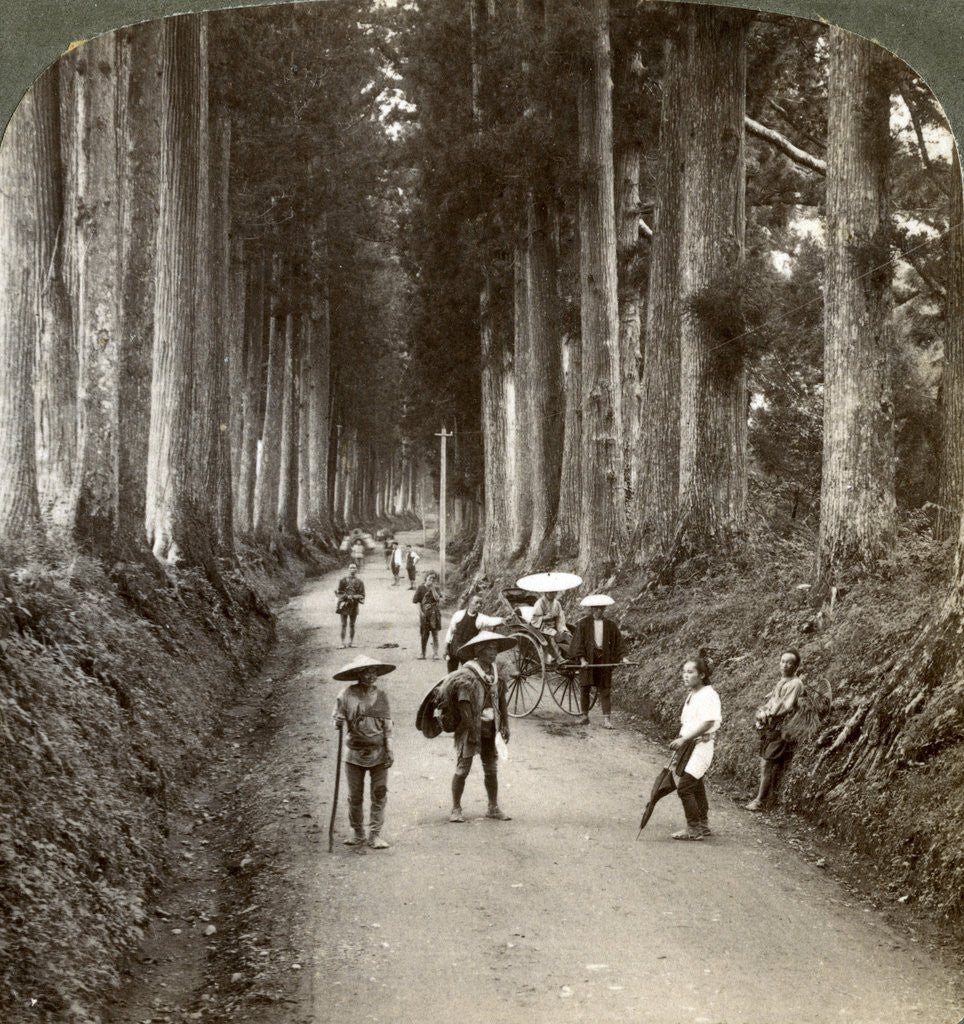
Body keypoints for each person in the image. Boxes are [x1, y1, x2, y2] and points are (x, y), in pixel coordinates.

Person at [448, 631, 516, 823]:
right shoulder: (468, 673)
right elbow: (463, 704)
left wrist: (505, 725)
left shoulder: (496, 672)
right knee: (463, 768)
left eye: (495, 648)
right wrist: (472, 730)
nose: (494, 652)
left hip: (491, 728)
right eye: (489, 648)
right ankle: (455, 808)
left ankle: (493, 807)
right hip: (470, 728)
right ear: (479, 651)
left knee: (491, 769)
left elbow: (502, 698)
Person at [331, 655, 395, 849]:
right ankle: (358, 831)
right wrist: (338, 722)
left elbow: (388, 727)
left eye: (373, 671)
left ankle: (375, 834)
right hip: (354, 754)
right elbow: (336, 719)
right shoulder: (346, 694)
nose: (370, 675)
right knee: (355, 796)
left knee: (379, 793)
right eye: (366, 671)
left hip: (378, 752)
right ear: (358, 674)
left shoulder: (381, 695)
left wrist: (390, 750)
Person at [669, 650, 722, 841]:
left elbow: (708, 722)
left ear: (702, 675)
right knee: (696, 784)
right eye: (684, 671)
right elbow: (691, 721)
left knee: (685, 788)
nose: (685, 675)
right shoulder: (694, 694)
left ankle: (694, 828)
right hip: (690, 746)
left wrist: (684, 739)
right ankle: (703, 825)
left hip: (701, 746)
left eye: (691, 672)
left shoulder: (709, 694)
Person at [745, 649, 805, 812]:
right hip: (771, 727)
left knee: (767, 763)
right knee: (764, 762)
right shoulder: (781, 681)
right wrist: (762, 711)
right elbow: (772, 701)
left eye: (789, 663)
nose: (785, 665)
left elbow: (786, 706)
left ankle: (760, 801)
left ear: (796, 666)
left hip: (782, 728)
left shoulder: (795, 683)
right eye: (782, 661)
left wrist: (769, 713)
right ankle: (762, 796)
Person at [568, 594, 627, 729]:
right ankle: (584, 716)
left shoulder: (610, 625)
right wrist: (582, 659)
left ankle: (606, 719)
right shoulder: (583, 624)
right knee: (585, 688)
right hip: (588, 659)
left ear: (604, 609)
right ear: (591, 609)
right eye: (596, 609)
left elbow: (619, 643)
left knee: (605, 689)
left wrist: (623, 656)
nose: (598, 611)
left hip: (603, 658)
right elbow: (579, 643)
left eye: (601, 609)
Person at [443, 594, 505, 672]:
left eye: (480, 603)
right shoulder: (458, 614)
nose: (479, 605)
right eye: (476, 602)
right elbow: (450, 631)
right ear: (470, 603)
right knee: (451, 674)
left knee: (469, 674)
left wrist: (503, 620)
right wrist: (446, 648)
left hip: (467, 652)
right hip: (454, 650)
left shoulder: (480, 618)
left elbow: (491, 620)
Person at [529, 590, 570, 663]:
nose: (552, 594)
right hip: (543, 627)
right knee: (551, 637)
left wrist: (561, 628)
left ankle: (571, 655)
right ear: (545, 592)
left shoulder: (557, 603)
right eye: (550, 592)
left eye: (554, 592)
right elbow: (534, 619)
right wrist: (545, 617)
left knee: (566, 634)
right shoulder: (540, 603)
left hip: (555, 625)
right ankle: (558, 658)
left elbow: (560, 617)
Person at [413, 570, 443, 660]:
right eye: (430, 577)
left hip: (434, 613)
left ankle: (436, 653)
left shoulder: (436, 588)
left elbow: (437, 599)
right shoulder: (421, 588)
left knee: (435, 634)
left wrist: (433, 588)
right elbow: (417, 601)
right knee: (424, 634)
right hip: (425, 614)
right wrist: (420, 612)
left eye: (434, 578)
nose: (432, 580)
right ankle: (423, 653)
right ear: (426, 578)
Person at [334, 563, 365, 648]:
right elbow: (338, 593)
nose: (352, 570)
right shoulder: (343, 580)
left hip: (354, 605)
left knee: (352, 624)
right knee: (343, 624)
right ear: (348, 569)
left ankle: (351, 642)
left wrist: (354, 596)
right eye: (351, 568)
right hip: (344, 605)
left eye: (354, 568)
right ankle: (342, 642)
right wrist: (346, 596)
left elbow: (362, 595)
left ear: (356, 570)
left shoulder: (360, 582)